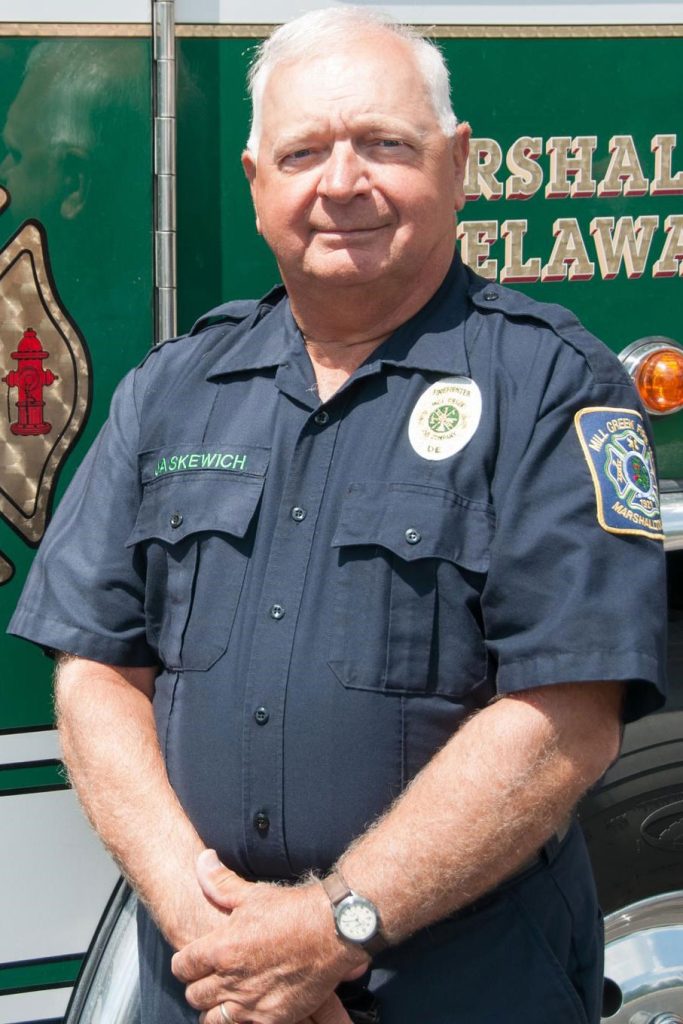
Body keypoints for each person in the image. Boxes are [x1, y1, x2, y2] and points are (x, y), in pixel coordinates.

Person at [9, 8, 666, 1024]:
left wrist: (329, 930)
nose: (341, 182)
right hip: (205, 990)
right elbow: (94, 667)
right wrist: (216, 934)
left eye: (384, 145)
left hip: (453, 993)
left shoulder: (549, 384)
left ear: (455, 163)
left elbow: (561, 721)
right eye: (304, 150)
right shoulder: (175, 387)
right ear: (255, 180)